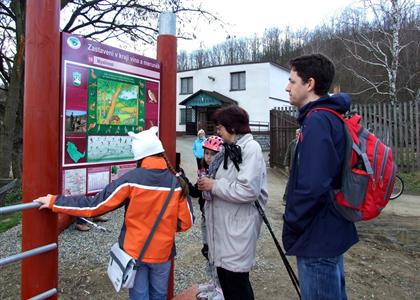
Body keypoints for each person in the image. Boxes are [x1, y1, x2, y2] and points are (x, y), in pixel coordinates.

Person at [34, 126, 194, 300]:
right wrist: (165, 228)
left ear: (139, 155)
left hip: (135, 252)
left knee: (139, 296)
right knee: (160, 295)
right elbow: (187, 223)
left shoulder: (132, 180)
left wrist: (54, 201)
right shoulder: (176, 182)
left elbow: (94, 206)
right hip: (163, 252)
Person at [282, 53, 358, 300]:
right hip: (329, 230)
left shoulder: (318, 120)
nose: (287, 87)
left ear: (310, 84)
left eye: (292, 81)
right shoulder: (327, 116)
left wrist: (293, 219)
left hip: (317, 237)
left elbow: (314, 184)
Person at [198, 105, 268, 300]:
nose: (217, 131)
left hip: (237, 231)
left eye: (220, 127)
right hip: (225, 231)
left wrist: (214, 185)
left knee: (237, 285)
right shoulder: (229, 149)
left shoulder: (250, 148)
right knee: (227, 283)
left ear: (233, 128)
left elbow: (248, 190)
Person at [184, 135, 224, 299]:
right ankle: (214, 282)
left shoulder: (223, 172)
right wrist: (183, 178)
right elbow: (195, 192)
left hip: (219, 219)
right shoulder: (204, 171)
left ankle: (222, 288)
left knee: (219, 253)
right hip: (206, 216)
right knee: (208, 250)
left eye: (212, 154)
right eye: (206, 153)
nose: (208, 157)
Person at [282, 128, 300, 206]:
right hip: (292, 167)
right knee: (290, 183)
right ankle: (285, 198)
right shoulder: (292, 143)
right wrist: (286, 165)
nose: (297, 136)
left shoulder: (304, 144)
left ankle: (296, 199)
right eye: (296, 134)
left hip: (300, 168)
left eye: (298, 134)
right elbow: (287, 154)